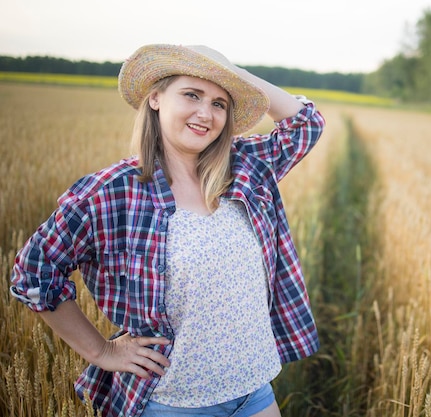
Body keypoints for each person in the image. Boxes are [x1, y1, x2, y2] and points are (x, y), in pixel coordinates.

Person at [10, 44, 325, 417]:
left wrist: (230, 72)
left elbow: (306, 123)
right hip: (172, 402)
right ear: (156, 98)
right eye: (191, 95)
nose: (205, 113)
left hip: (254, 391)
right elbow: (34, 272)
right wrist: (102, 352)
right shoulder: (112, 191)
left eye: (219, 103)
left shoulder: (244, 168)